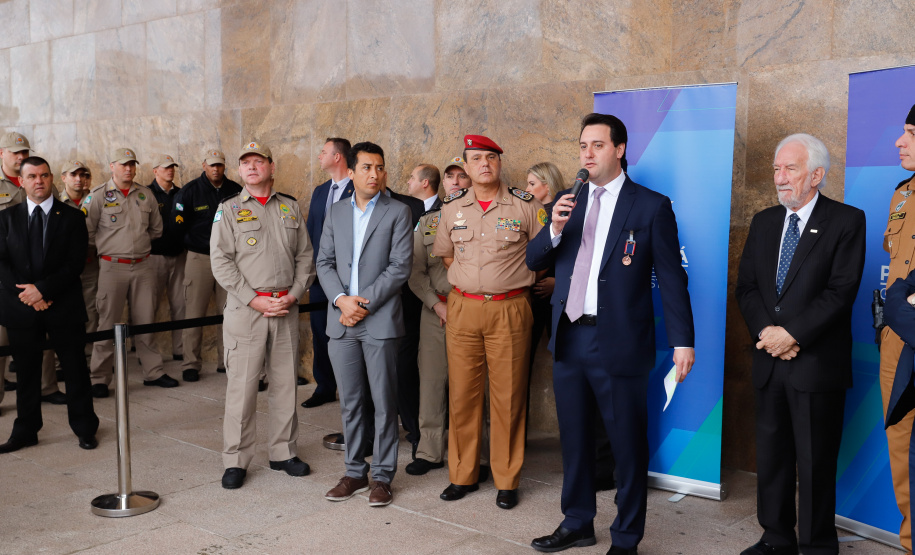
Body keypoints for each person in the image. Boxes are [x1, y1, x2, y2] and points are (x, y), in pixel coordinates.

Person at [528, 113, 695, 554]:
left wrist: (683, 340)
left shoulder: (650, 206)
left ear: (619, 150)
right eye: (583, 145)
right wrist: (554, 228)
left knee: (627, 445)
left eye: (597, 145)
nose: (587, 154)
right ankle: (577, 522)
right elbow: (533, 260)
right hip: (570, 337)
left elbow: (672, 278)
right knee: (575, 439)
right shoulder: (568, 200)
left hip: (619, 341)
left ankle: (626, 536)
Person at [735, 134, 865, 555]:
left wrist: (790, 335)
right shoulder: (764, 221)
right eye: (776, 168)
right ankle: (775, 537)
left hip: (816, 364)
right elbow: (747, 288)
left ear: (816, 175)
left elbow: (840, 292)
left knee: (814, 462)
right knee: (771, 458)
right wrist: (767, 334)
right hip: (770, 361)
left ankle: (816, 545)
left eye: (790, 168)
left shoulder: (846, 221)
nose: (779, 177)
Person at [432, 134, 546, 510]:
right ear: (465, 166)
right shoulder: (451, 207)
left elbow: (545, 255)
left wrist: (506, 280)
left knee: (508, 396)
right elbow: (447, 256)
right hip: (464, 308)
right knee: (462, 395)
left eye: (491, 158)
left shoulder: (525, 205)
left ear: (499, 163)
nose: (485, 164)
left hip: (509, 308)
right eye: (477, 158)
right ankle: (462, 475)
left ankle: (506, 480)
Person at [210, 141, 316, 490]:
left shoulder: (289, 207)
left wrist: (294, 294)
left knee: (285, 385)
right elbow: (220, 262)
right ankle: (236, 460)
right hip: (247, 310)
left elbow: (305, 257)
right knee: (242, 389)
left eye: (259, 161)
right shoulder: (228, 209)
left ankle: (283, 452)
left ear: (271, 167)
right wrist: (253, 299)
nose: (252, 167)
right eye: (246, 162)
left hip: (285, 307)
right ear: (240, 170)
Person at [317, 141, 412, 508]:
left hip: (379, 320)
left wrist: (361, 304)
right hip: (341, 321)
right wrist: (342, 300)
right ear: (352, 172)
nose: (375, 174)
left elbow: (400, 267)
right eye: (368, 167)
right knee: (351, 402)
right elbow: (324, 262)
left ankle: (383, 477)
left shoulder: (398, 211)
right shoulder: (336, 211)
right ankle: (355, 472)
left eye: (380, 167)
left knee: (385, 403)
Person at [0, 156, 99, 453]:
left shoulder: (72, 217)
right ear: (21, 181)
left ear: (52, 178)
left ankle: (85, 428)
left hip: (63, 304)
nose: (39, 181)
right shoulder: (6, 218)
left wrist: (42, 291)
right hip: (21, 307)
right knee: (26, 372)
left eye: (43, 175)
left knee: (75, 370)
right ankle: (26, 431)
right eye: (32, 176)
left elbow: (74, 264)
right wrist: (29, 295)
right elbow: (2, 264)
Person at [84, 147, 176, 398]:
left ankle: (153, 372)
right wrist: (112, 247)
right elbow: (87, 233)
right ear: (112, 166)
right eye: (123, 164)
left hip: (143, 266)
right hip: (112, 266)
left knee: (146, 320)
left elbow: (156, 230)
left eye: (132, 164)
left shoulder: (145, 195)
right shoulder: (98, 196)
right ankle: (99, 378)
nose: (128, 168)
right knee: (107, 323)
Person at [173, 149, 243, 382]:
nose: (216, 169)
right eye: (212, 165)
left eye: (219, 165)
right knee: (194, 313)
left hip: (229, 259)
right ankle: (190, 364)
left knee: (229, 312)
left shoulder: (235, 190)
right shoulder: (190, 191)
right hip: (200, 258)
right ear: (204, 165)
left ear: (224, 166)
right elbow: (178, 226)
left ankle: (227, 361)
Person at [880, 104, 915, 555]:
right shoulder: (902, 194)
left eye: (910, 132)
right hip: (897, 341)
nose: (899, 142)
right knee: (901, 445)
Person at [303, 138, 354, 408]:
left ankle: (351, 390)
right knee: (320, 332)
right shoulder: (321, 191)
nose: (319, 156)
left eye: (323, 152)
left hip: (348, 278)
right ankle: (324, 387)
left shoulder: (358, 188)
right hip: (320, 277)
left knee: (347, 335)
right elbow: (311, 231)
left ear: (337, 157)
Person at [40, 161, 98, 396]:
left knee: (91, 313)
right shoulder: (54, 202)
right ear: (63, 177)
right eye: (74, 175)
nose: (79, 179)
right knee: (58, 314)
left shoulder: (96, 199)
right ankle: (57, 364)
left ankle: (87, 359)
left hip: (90, 264)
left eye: (84, 175)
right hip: (62, 268)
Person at [406, 163, 450, 475]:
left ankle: (476, 455)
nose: (457, 181)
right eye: (451, 176)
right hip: (436, 313)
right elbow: (415, 271)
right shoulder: (428, 222)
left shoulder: (487, 220)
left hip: (475, 312)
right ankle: (429, 451)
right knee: (432, 383)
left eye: (463, 175)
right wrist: (436, 305)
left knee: (477, 389)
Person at [148, 154, 186, 363]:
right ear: (155, 171)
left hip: (179, 256)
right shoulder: (146, 194)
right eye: (165, 167)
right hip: (154, 257)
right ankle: (146, 351)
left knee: (180, 305)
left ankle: (180, 350)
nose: (170, 170)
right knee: (149, 307)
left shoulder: (182, 193)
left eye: (172, 167)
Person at [0, 132, 29, 403]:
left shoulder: (37, 179)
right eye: (15, 152)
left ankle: (46, 388)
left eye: (24, 152)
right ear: (2, 153)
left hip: (35, 272)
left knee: (39, 336)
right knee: (1, 339)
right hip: (3, 273)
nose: (21, 157)